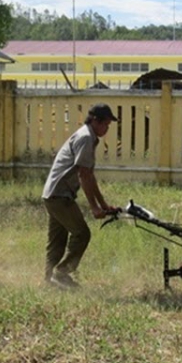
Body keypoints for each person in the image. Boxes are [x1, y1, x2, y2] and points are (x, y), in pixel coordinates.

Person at [42, 103, 119, 288]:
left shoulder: (89, 137)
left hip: (53, 194)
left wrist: (104, 204)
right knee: (82, 234)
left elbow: (89, 176)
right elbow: (83, 175)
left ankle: (48, 280)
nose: (107, 129)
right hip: (60, 195)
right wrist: (94, 207)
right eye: (105, 124)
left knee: (57, 241)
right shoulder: (85, 138)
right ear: (95, 121)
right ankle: (61, 273)